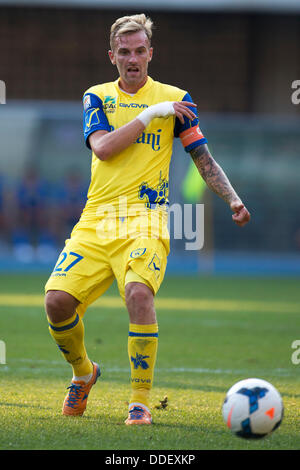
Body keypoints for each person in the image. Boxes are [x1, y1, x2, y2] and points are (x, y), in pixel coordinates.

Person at [44, 13, 250, 425]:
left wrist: (232, 197)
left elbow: (202, 157)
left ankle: (139, 402)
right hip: (97, 218)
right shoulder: (97, 96)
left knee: (139, 295)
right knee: (56, 302)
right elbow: (102, 149)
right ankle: (84, 374)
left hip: (147, 218)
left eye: (140, 50)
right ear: (112, 57)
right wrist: (150, 113)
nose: (133, 58)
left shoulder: (176, 98)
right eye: (125, 52)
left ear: (151, 53)